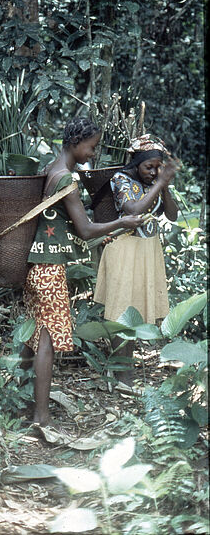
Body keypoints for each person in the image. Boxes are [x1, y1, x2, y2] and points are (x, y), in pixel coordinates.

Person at [20, 117, 144, 428]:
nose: (93, 153)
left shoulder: (53, 169)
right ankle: (42, 418)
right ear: (75, 143)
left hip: (38, 265)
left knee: (33, 339)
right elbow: (86, 230)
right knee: (45, 342)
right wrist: (121, 223)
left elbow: (68, 224)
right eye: (92, 147)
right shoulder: (67, 180)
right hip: (50, 272)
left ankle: (23, 405)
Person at [94, 134, 179, 388]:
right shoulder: (120, 179)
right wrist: (159, 183)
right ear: (136, 164)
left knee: (137, 310)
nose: (153, 172)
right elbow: (133, 210)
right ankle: (123, 376)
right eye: (148, 167)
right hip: (124, 250)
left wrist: (164, 187)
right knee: (123, 310)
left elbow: (172, 215)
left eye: (157, 167)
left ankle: (121, 372)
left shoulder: (156, 182)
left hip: (147, 250)